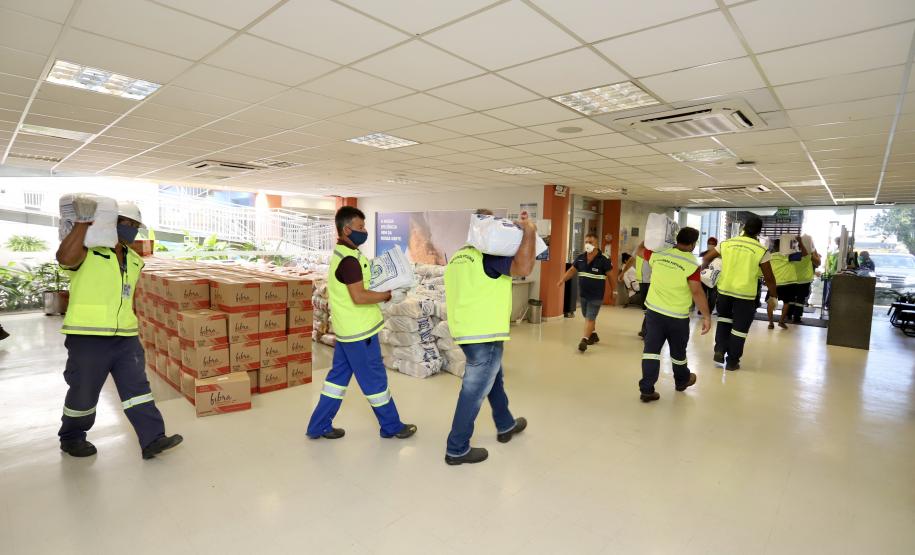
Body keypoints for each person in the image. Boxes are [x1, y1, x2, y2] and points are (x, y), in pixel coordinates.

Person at [55, 200, 182, 459]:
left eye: (135, 226)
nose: (132, 230)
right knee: (84, 391)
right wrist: (83, 222)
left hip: (125, 337)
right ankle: (72, 437)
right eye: (127, 223)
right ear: (110, 222)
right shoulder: (89, 251)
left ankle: (152, 439)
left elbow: (128, 297)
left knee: (137, 389)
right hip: (88, 336)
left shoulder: (135, 260)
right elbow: (65, 258)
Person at [306, 206, 416, 441]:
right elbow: (359, 296)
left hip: (347, 332)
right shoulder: (349, 261)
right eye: (360, 227)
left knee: (336, 381)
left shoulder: (344, 255)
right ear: (346, 229)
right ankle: (392, 426)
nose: (364, 231)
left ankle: (318, 426)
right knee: (375, 381)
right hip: (360, 334)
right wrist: (387, 295)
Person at [443, 210, 535, 465]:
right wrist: (529, 231)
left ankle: (505, 424)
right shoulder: (488, 257)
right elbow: (524, 267)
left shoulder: (459, 256)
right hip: (484, 333)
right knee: (473, 390)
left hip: (465, 330)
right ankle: (456, 448)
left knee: (494, 377)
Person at [634, 228, 711, 402]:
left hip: (654, 313)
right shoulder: (691, 263)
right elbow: (696, 291)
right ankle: (682, 380)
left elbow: (639, 250)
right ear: (693, 244)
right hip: (677, 316)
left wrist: (651, 236)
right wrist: (706, 316)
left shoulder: (659, 254)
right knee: (678, 353)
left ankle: (646, 389)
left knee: (651, 352)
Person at [701, 215, 778, 371]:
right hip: (745, 295)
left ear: (743, 228)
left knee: (724, 321)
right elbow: (769, 277)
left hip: (724, 291)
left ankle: (719, 350)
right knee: (739, 329)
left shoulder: (727, 244)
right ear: (758, 232)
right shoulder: (761, 250)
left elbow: (706, 258)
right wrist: (774, 295)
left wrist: (707, 272)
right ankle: (732, 361)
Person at [556, 233, 613, 352]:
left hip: (596, 295)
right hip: (583, 295)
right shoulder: (581, 258)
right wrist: (562, 279)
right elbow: (572, 270)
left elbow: (611, 277)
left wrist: (615, 291)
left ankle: (584, 340)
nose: (588, 244)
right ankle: (593, 334)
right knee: (587, 316)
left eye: (591, 242)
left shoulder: (604, 259)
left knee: (590, 317)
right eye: (586, 242)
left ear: (597, 244)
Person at [766, 239, 801, 330]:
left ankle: (770, 323)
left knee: (771, 302)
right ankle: (781, 321)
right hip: (787, 283)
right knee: (786, 302)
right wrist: (797, 246)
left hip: (774, 283)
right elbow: (801, 255)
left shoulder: (769, 256)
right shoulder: (787, 255)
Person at [619, 250, 652, 338]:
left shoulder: (653, 250)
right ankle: (645, 330)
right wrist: (629, 287)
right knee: (646, 308)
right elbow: (626, 276)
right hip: (640, 283)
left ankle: (645, 330)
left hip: (648, 282)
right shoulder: (640, 250)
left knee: (649, 308)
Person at [788, 238, 819, 323]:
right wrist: (813, 249)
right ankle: (797, 317)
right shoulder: (808, 254)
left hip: (793, 279)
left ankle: (788, 314)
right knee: (800, 300)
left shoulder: (792, 254)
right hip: (804, 280)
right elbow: (818, 262)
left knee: (791, 298)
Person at [699, 237, 718, 314]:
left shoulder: (719, 255)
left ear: (716, 245)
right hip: (703, 277)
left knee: (712, 296)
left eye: (713, 244)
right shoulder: (703, 254)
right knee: (702, 294)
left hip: (713, 277)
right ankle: (702, 309)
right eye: (709, 243)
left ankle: (709, 310)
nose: (710, 245)